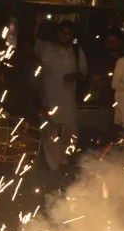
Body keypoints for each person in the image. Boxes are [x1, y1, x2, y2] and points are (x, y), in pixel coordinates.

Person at [33, 20, 87, 170]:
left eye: (68, 33)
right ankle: (53, 168)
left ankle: (64, 163)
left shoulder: (76, 51)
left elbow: (83, 72)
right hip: (48, 100)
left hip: (68, 101)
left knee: (70, 134)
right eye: (62, 32)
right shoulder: (45, 48)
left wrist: (74, 76)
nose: (65, 36)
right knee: (50, 137)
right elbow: (30, 42)